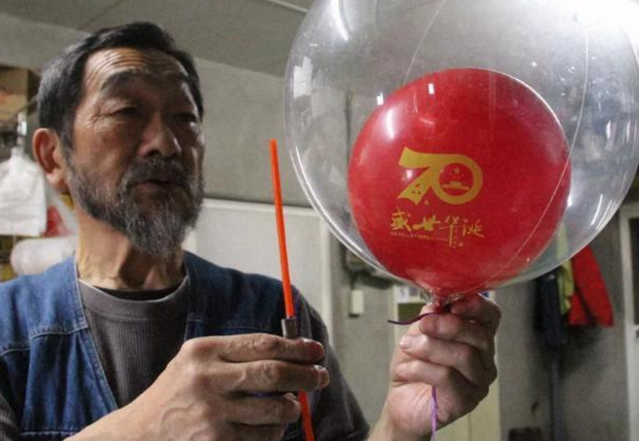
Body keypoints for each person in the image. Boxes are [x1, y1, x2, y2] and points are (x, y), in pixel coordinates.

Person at [0, 22, 500, 441]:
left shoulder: (272, 310)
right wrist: (143, 429)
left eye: (184, 118)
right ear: (53, 156)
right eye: (126, 111)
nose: (166, 143)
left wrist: (401, 424)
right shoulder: (8, 327)